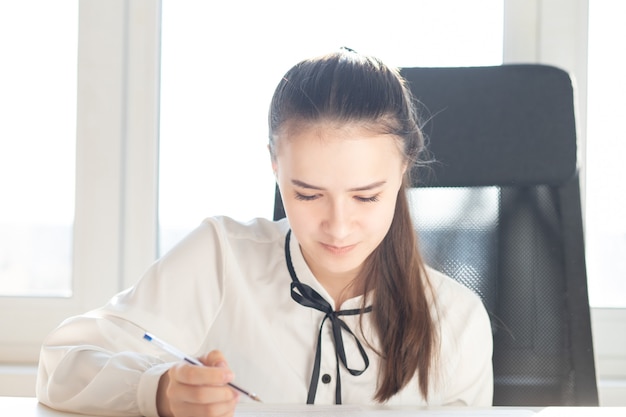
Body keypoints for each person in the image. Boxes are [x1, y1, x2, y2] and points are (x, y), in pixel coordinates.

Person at [36, 49, 493, 417]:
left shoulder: (458, 320)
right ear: (275, 165)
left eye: (366, 197)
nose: (337, 226)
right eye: (308, 195)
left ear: (404, 169)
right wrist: (158, 391)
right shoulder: (221, 258)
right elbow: (63, 363)